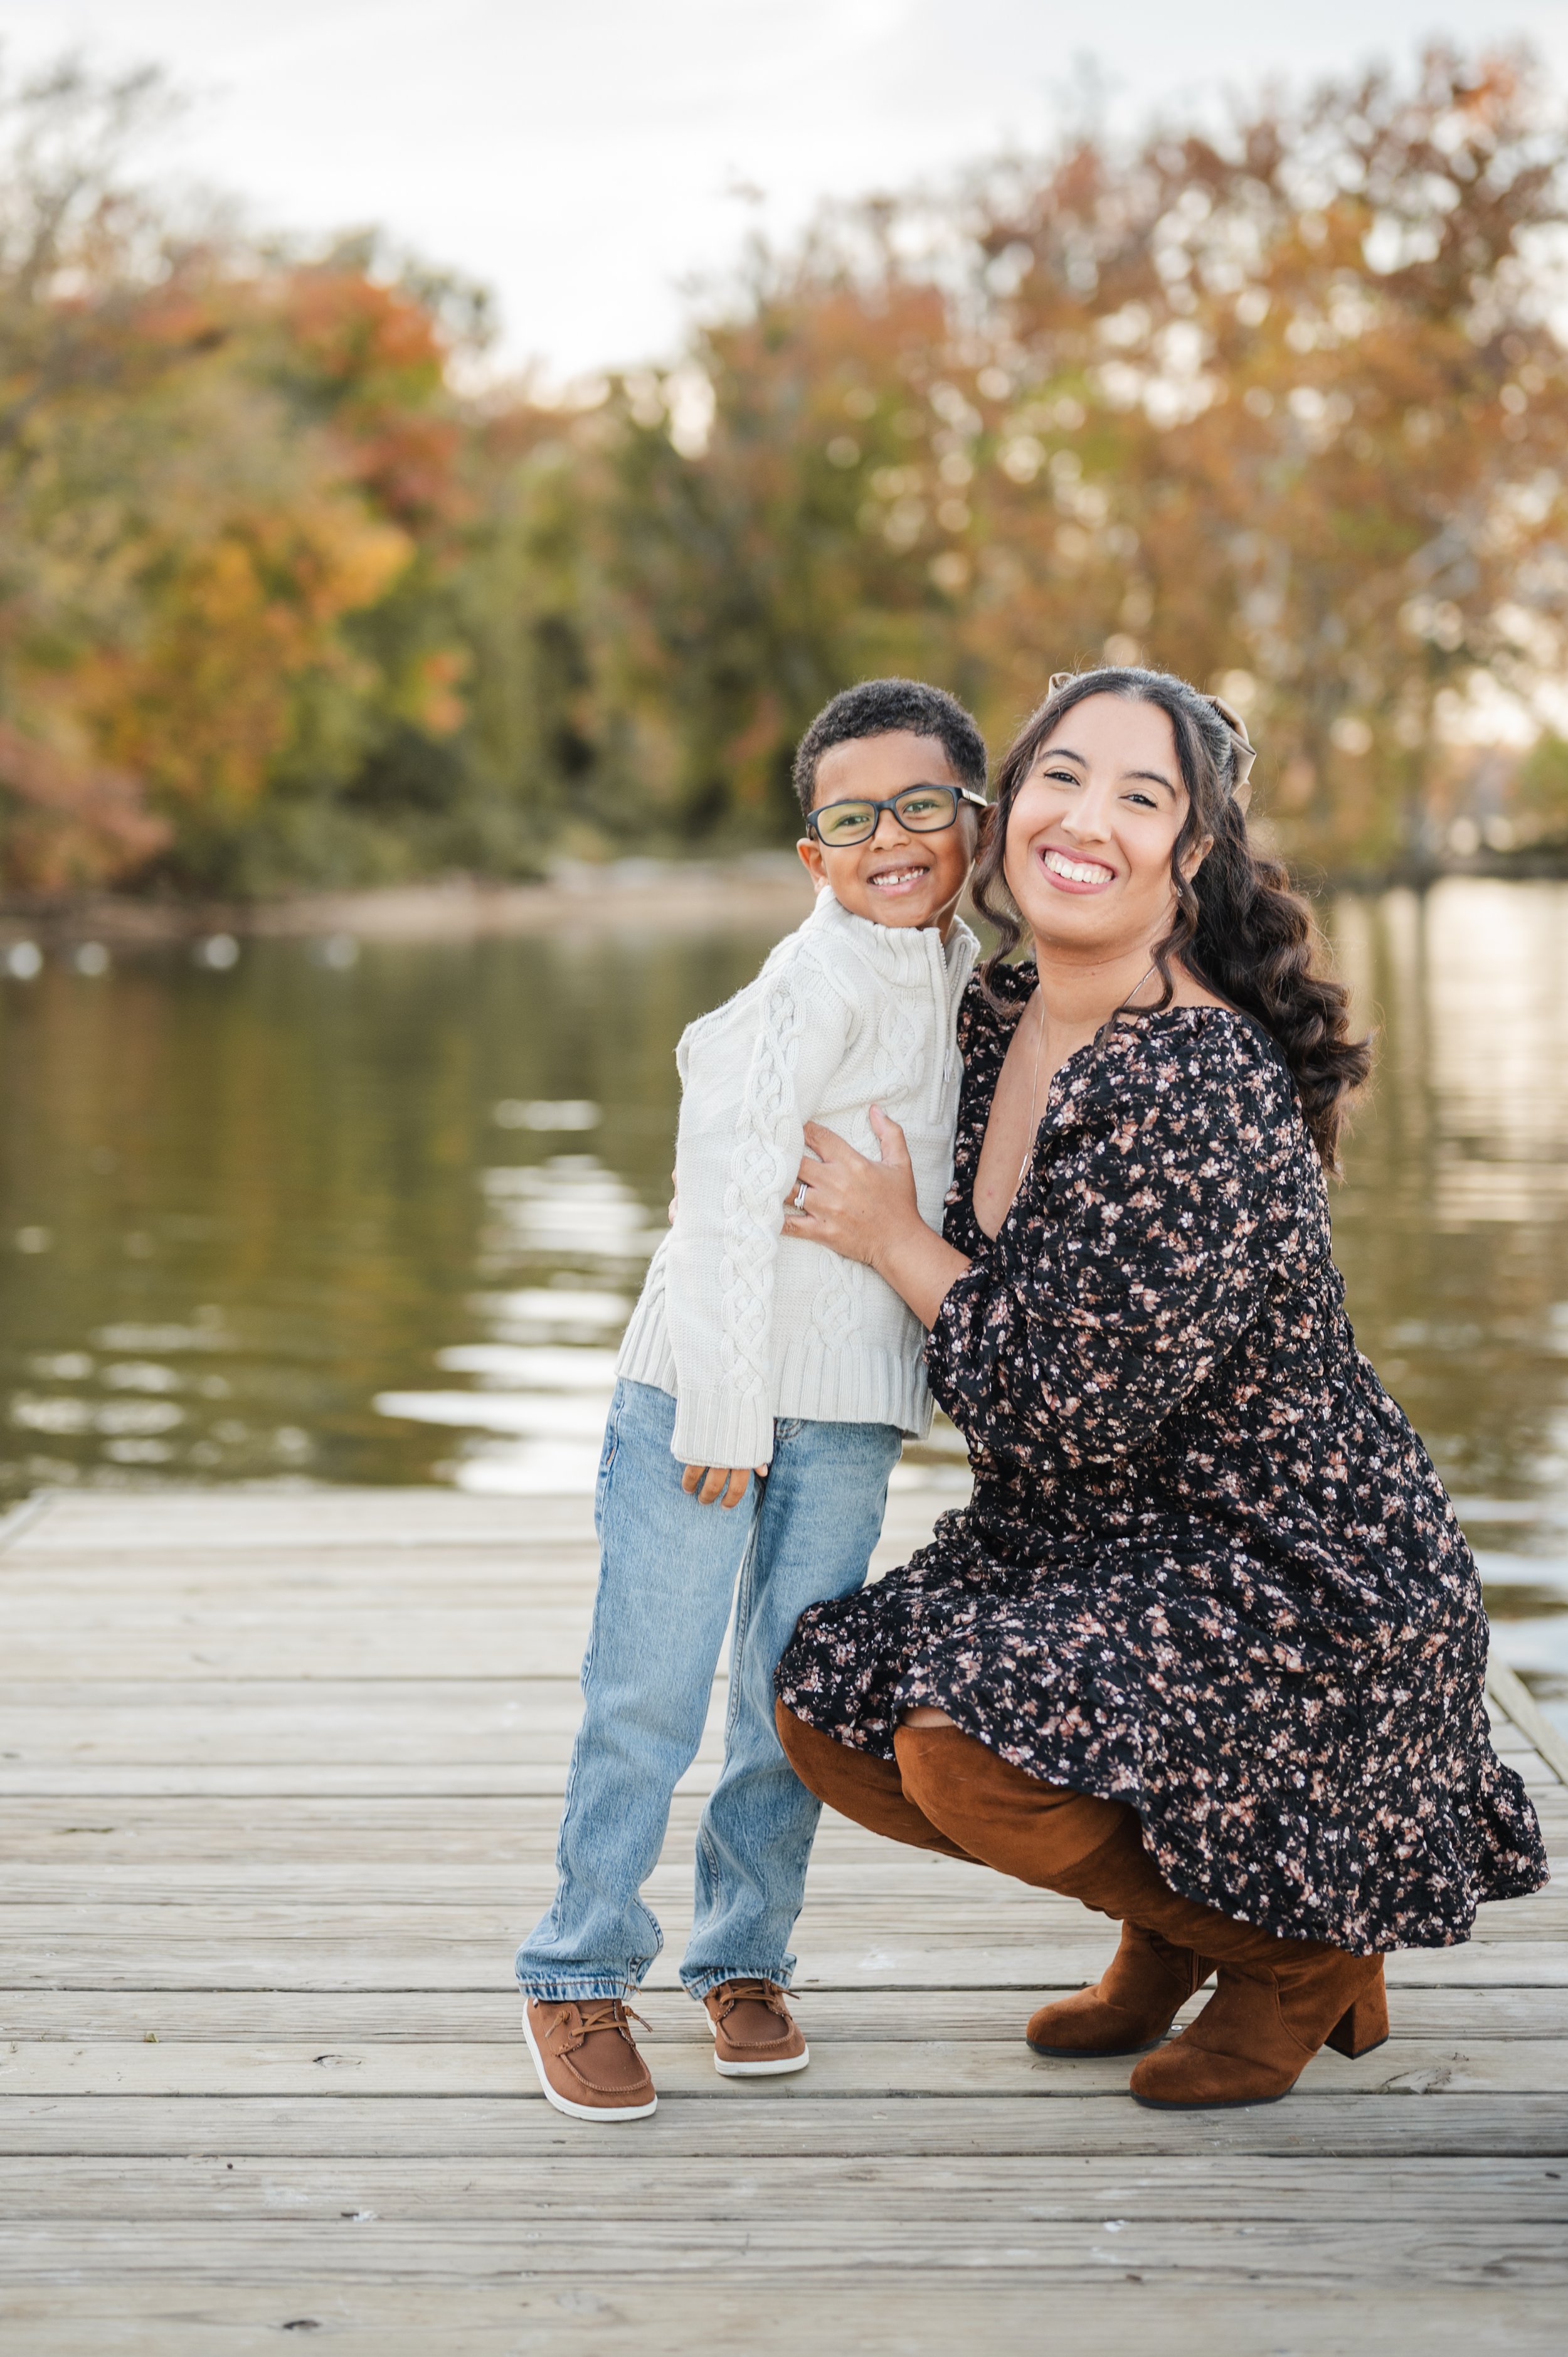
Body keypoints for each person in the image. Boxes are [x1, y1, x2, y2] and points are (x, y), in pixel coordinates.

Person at [773, 664, 1549, 2111]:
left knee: (965, 1747)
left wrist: (895, 1238)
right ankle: (1175, 1918)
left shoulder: (1194, 1083)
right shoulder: (1000, 1016)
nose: (1087, 820)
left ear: (1188, 859)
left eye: (1142, 797)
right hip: (1090, 1544)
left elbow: (1059, 1403)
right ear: (1006, 816)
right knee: (824, 1702)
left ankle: (1294, 1955)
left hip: (1292, 1571)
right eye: (1060, 777)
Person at [517, 678, 987, 2120]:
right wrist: (721, 1405)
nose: (889, 838)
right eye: (852, 818)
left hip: (843, 1411)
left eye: (920, 807)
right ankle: (577, 1969)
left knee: (790, 1700)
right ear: (813, 855)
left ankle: (742, 1955)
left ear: (974, 822)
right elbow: (722, 1194)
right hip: (701, 1397)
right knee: (646, 1693)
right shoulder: (812, 982)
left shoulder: (972, 979)